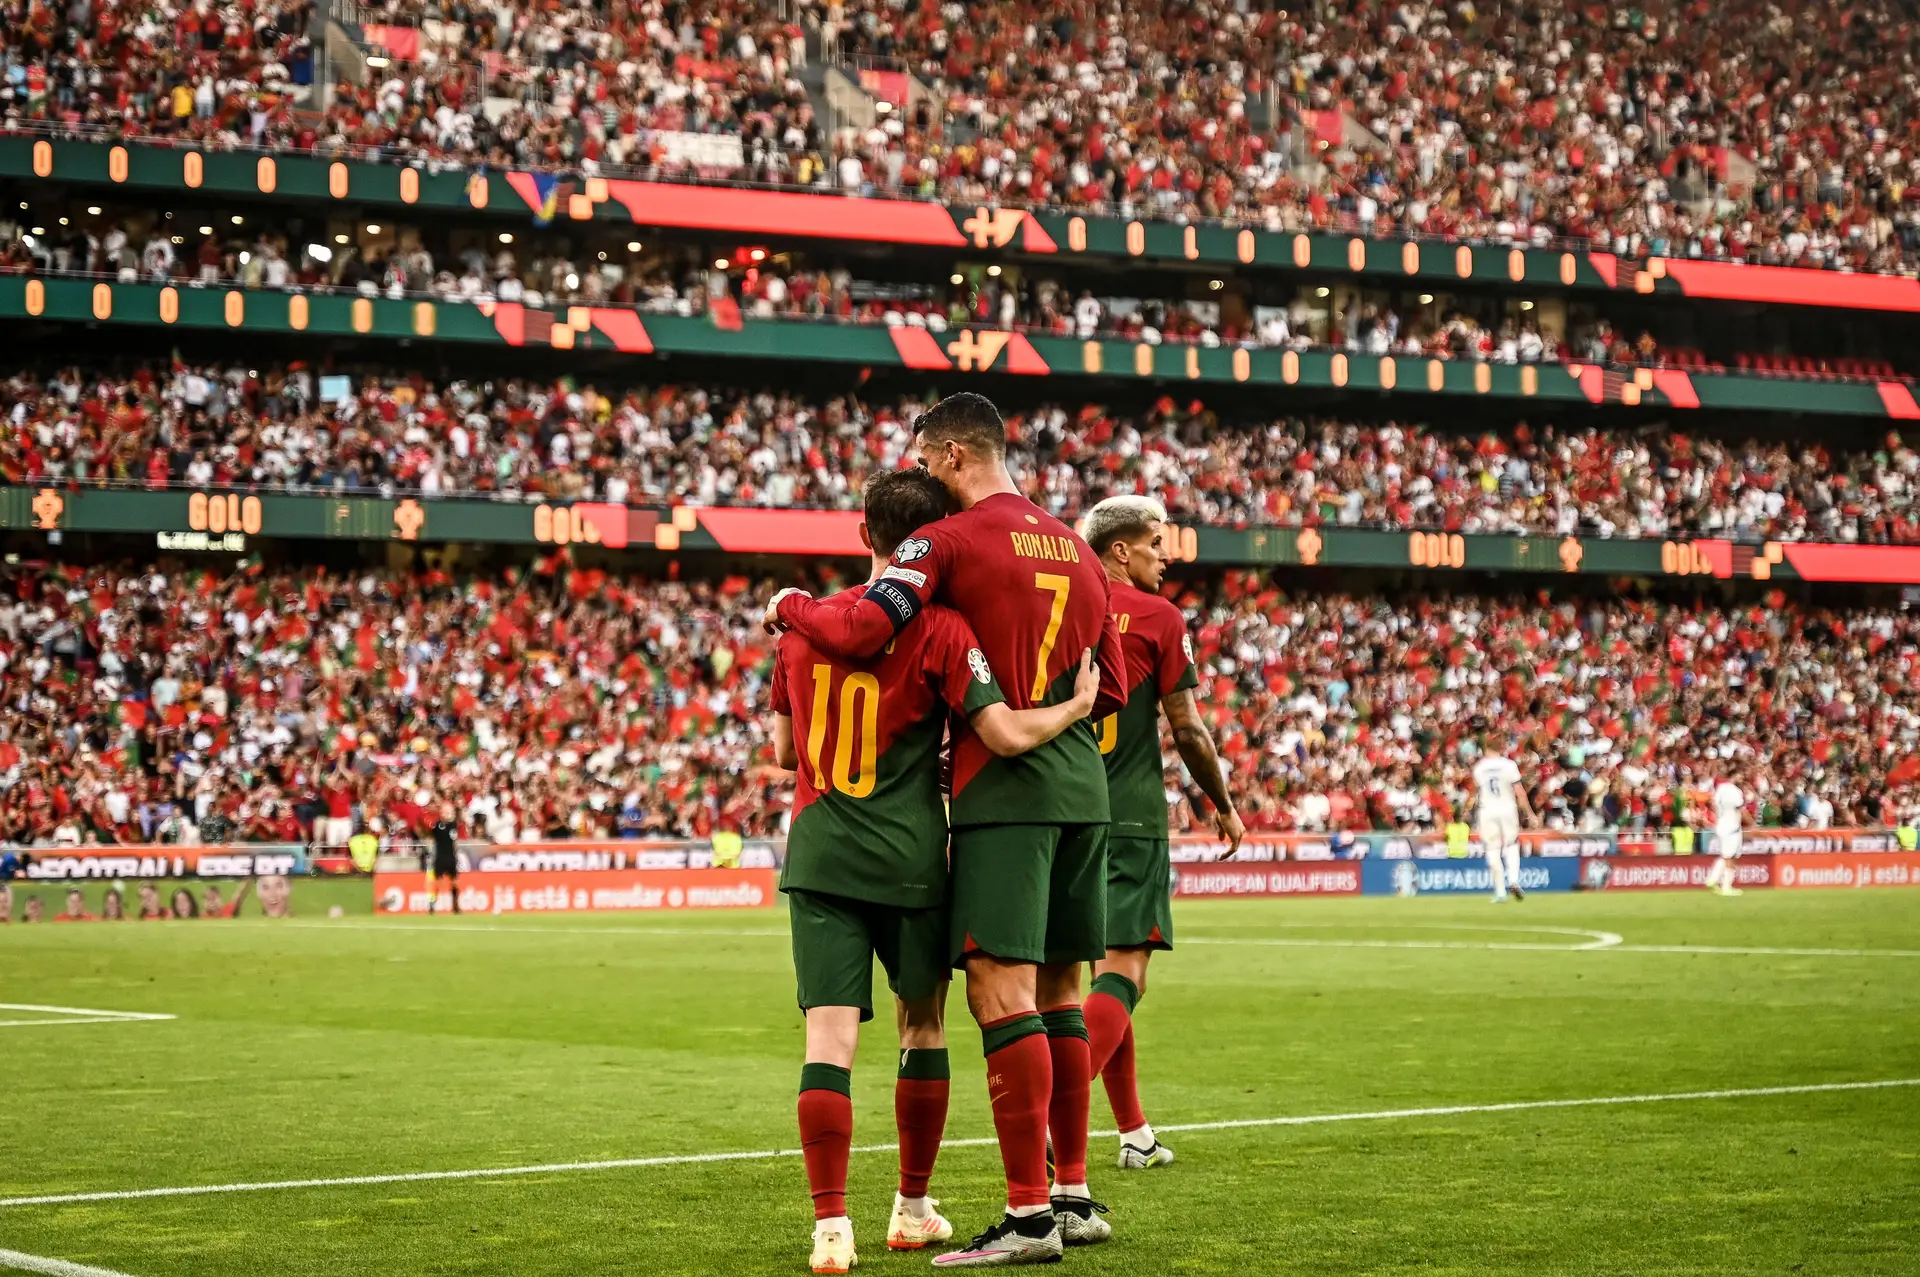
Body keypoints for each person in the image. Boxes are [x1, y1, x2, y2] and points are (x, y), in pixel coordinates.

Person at [770, 392, 1129, 1267]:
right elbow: (1111, 685)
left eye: (927, 458)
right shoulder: (1080, 549)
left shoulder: (949, 541)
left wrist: (788, 602)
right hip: (1083, 786)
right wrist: (1066, 707)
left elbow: (862, 623)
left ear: (957, 451)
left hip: (1005, 788)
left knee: (998, 995)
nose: (924, 475)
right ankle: (1074, 1192)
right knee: (1062, 994)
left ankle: (1030, 1214)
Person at [1077, 495, 1244, 1172]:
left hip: (1068, 812)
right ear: (1119, 549)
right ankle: (1059, 1117)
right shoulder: (1156, 616)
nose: (1164, 554)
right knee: (1126, 973)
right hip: (1131, 815)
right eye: (1153, 542)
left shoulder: (1061, 609)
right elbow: (1188, 728)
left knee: (1103, 973)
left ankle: (1134, 1131)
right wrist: (1224, 804)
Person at [1472, 740, 1535, 902]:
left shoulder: (1479, 768)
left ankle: (1500, 892)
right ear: (1500, 748)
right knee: (1511, 844)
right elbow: (1519, 792)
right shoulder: (1509, 765)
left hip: (1487, 809)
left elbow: (1476, 793)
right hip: (1507, 808)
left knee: (1492, 849)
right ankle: (1513, 880)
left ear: (1486, 748)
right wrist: (1529, 813)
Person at [1707, 775, 1747, 896]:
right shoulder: (1734, 790)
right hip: (1732, 827)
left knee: (1726, 855)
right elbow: (1740, 808)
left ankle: (1713, 879)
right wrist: (1752, 823)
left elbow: (1713, 804)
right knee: (1731, 856)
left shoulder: (1719, 790)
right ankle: (1726, 886)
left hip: (1721, 825)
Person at [429, 803, 462, 914]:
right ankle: (432, 905)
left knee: (455, 883)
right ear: (441, 813)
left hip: (451, 857)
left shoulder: (453, 825)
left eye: (451, 812)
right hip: (440, 857)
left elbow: (454, 839)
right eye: (447, 812)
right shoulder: (437, 825)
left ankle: (455, 906)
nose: (449, 814)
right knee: (437, 883)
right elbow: (430, 833)